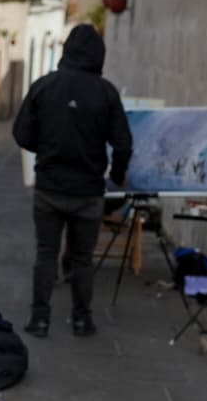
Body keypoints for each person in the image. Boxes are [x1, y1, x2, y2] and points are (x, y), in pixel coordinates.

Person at [13, 23, 132, 338]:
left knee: (45, 254)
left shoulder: (44, 86)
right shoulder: (106, 92)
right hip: (88, 191)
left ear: (66, 51)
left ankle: (40, 319)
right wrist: (116, 175)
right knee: (82, 258)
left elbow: (21, 134)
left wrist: (47, 148)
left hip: (49, 187)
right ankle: (81, 319)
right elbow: (123, 144)